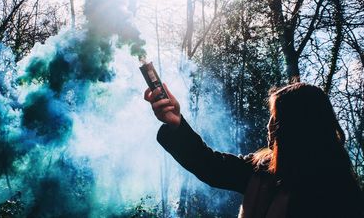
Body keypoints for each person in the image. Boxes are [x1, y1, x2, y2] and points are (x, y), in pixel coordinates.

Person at [144, 82, 364, 218]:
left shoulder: (339, 193)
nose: (268, 126)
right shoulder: (261, 169)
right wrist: (176, 124)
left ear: (298, 128)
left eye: (276, 118)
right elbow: (210, 165)